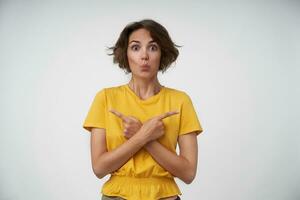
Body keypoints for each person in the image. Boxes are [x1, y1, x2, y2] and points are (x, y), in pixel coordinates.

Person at [83, 19, 203, 200]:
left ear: (162, 54)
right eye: (136, 47)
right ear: (126, 54)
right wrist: (143, 135)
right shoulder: (105, 98)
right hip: (116, 196)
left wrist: (143, 135)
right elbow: (99, 168)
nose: (144, 56)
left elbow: (188, 173)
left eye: (153, 47)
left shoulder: (180, 101)